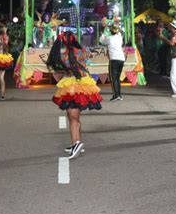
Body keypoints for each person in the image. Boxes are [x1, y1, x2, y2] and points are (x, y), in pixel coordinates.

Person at [46, 31, 102, 160]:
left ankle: (76, 143)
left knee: (72, 117)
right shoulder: (83, 51)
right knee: (75, 116)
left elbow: (60, 68)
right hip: (84, 85)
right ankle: (76, 143)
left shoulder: (64, 55)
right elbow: (89, 57)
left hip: (71, 86)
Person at [159, 20, 176, 97]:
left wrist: (163, 37)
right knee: (175, 75)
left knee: (174, 75)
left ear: (173, 26)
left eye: (170, 25)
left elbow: (171, 43)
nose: (168, 26)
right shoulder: (175, 34)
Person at [100, 25, 125, 101]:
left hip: (114, 59)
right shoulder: (119, 38)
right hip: (121, 59)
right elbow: (120, 32)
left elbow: (102, 41)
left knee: (113, 78)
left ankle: (115, 95)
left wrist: (102, 34)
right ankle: (119, 95)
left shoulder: (109, 39)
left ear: (111, 32)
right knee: (117, 78)